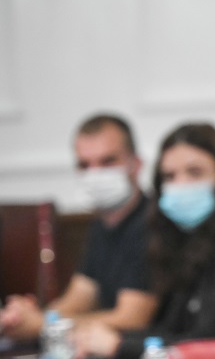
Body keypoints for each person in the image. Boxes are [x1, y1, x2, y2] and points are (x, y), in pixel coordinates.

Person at [73, 123, 215, 359]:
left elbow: (210, 340)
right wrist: (111, 338)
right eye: (169, 176)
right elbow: (169, 330)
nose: (181, 184)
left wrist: (119, 346)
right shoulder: (182, 239)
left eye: (195, 172)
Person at [0, 114, 156, 340]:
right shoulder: (102, 225)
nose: (95, 174)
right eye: (84, 165)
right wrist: (26, 317)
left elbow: (131, 319)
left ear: (136, 164)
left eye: (108, 161)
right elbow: (78, 298)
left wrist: (44, 325)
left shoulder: (153, 225)